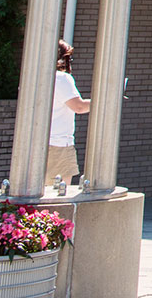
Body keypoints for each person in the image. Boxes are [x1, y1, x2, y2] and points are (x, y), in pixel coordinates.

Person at [48, 40, 90, 190]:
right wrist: (105, 101)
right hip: (58, 144)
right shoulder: (61, 78)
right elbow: (79, 107)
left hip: (35, 144)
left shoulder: (33, 76)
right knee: (57, 196)